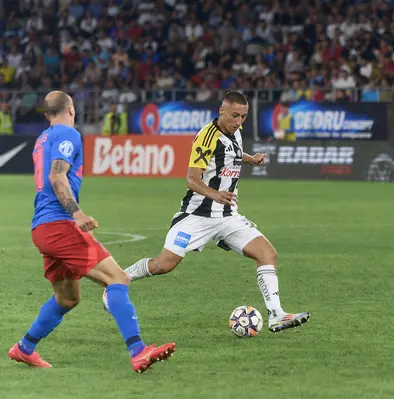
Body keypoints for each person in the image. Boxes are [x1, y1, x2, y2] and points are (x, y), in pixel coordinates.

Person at [9, 91, 175, 373]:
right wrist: (77, 214)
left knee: (67, 298)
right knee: (117, 278)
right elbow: (57, 176)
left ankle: (24, 348)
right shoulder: (68, 134)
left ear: (47, 113)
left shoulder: (41, 139)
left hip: (42, 228)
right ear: (71, 109)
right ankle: (138, 351)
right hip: (60, 224)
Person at [119, 91, 310, 333]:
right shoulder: (206, 137)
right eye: (234, 116)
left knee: (267, 254)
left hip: (227, 216)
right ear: (221, 111)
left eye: (243, 116)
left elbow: (233, 154)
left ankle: (276, 315)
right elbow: (191, 179)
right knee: (164, 265)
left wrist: (251, 160)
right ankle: (119, 279)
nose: (239, 121)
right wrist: (215, 194)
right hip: (197, 215)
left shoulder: (236, 132)